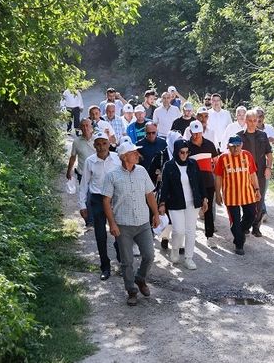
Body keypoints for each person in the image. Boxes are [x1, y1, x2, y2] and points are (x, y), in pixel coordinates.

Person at [102, 142, 160, 306]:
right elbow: (106, 201)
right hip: (123, 225)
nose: (137, 155)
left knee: (149, 255)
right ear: (124, 156)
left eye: (136, 152)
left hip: (143, 223)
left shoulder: (142, 171)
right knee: (127, 261)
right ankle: (131, 291)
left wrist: (155, 214)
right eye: (133, 153)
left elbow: (150, 194)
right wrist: (112, 224)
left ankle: (140, 279)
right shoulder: (112, 175)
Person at [159, 139, 209, 270]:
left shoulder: (193, 164)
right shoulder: (169, 166)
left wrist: (204, 198)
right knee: (178, 230)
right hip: (175, 203)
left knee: (191, 230)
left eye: (187, 152)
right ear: (176, 151)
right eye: (181, 152)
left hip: (193, 203)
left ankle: (189, 258)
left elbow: (200, 182)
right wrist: (162, 203)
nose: (184, 155)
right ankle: (175, 250)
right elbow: (164, 186)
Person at [79, 131, 121, 281]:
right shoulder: (90, 161)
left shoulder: (117, 158)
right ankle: (105, 266)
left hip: (114, 199)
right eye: (98, 144)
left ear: (109, 143)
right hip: (97, 199)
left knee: (118, 231)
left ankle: (121, 260)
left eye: (104, 143)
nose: (101, 147)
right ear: (94, 145)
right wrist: (82, 204)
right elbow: (84, 183)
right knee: (100, 234)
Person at [214, 136, 260, 255]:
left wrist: (257, 189)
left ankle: (242, 229)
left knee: (252, 214)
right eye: (233, 146)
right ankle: (239, 244)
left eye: (238, 145)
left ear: (242, 145)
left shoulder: (247, 155)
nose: (235, 148)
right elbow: (218, 177)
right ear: (228, 146)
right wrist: (218, 194)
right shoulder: (223, 158)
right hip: (231, 196)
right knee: (235, 221)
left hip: (247, 193)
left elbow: (253, 174)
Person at [237, 110, 272, 237]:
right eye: (250, 120)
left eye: (254, 120)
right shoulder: (239, 136)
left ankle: (256, 226)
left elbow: (269, 153)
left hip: (261, 173)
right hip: (244, 174)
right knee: (245, 199)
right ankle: (246, 222)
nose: (252, 123)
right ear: (245, 121)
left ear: (258, 121)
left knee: (259, 199)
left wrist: (269, 167)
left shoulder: (263, 135)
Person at [187, 120, 220, 248]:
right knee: (192, 209)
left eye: (198, 133)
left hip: (208, 182)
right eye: (194, 133)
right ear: (190, 132)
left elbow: (216, 162)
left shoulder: (210, 145)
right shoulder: (187, 146)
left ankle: (210, 236)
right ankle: (190, 236)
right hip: (193, 184)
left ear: (202, 132)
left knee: (208, 211)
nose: (196, 136)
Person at [66, 118, 95, 227]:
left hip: (96, 174)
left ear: (91, 127)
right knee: (87, 197)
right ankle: (90, 222)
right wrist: (69, 171)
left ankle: (94, 219)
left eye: (87, 125)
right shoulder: (77, 141)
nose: (85, 128)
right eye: (83, 126)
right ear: (80, 128)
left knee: (94, 197)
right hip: (82, 173)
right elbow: (73, 157)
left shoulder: (97, 140)